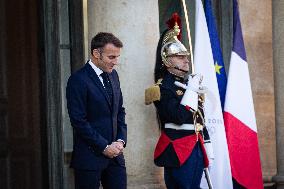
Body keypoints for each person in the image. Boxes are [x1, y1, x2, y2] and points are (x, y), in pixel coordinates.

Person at [145, 13, 212, 189]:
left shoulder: (188, 85)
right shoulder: (162, 88)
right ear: (167, 61)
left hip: (195, 147)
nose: (186, 59)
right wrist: (191, 90)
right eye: (180, 57)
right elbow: (178, 116)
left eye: (186, 56)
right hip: (178, 148)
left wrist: (207, 145)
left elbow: (200, 120)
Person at [66, 32, 127, 189]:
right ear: (96, 53)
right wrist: (104, 147)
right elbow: (79, 121)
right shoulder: (78, 79)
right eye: (111, 57)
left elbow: (120, 111)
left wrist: (121, 140)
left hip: (116, 158)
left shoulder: (114, 76)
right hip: (89, 158)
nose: (116, 62)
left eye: (117, 57)